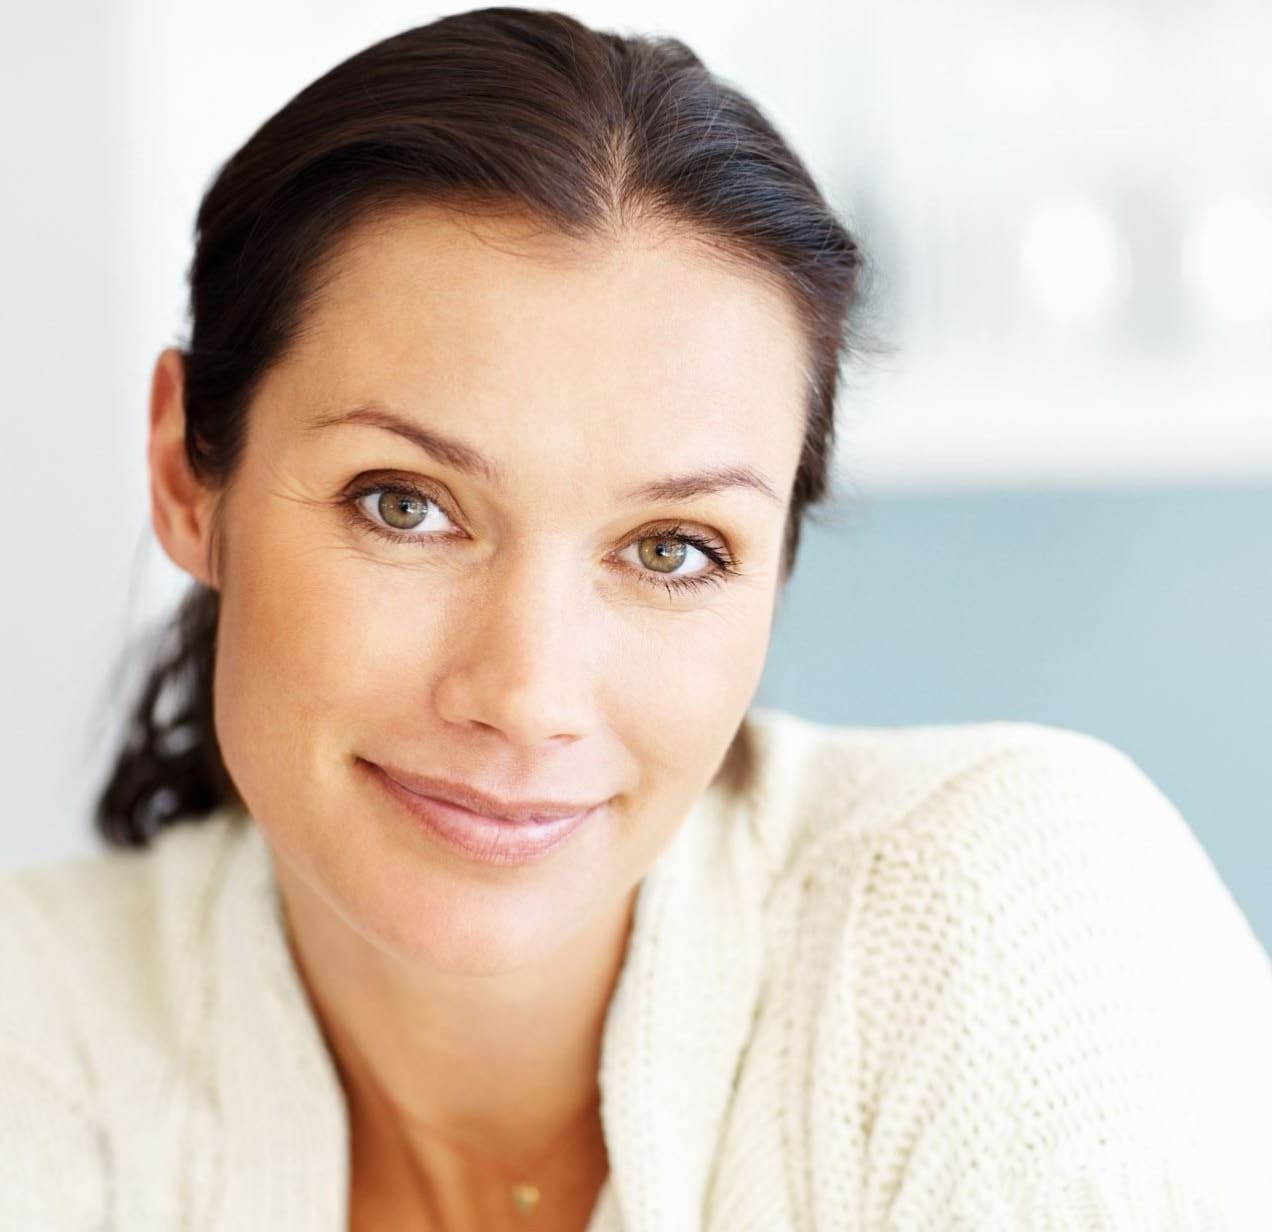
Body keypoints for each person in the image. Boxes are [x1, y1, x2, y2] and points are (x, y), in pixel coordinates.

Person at [4, 7, 1271, 1230]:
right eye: (405, 505)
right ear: (186, 471)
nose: (528, 692)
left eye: (672, 548)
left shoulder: (1005, 923)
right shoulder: (38, 1046)